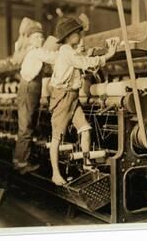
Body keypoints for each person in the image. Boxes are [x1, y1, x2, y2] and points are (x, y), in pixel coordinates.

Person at [49, 16, 118, 185]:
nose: (80, 35)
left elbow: (82, 58)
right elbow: (85, 62)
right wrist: (108, 55)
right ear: (69, 36)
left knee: (85, 129)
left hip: (72, 97)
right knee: (57, 138)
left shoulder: (69, 51)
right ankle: (55, 174)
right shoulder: (66, 52)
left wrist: (93, 52)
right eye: (77, 33)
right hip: (63, 97)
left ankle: (86, 163)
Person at [13, 23, 59, 174]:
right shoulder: (35, 51)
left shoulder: (32, 51)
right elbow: (53, 58)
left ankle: (19, 159)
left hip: (29, 89)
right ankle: (22, 163)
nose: (41, 39)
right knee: (26, 126)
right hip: (29, 88)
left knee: (26, 125)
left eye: (41, 36)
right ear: (31, 40)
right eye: (37, 37)